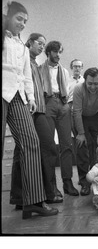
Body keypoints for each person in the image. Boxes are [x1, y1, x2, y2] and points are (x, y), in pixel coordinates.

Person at [2, 1, 58, 219]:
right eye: (19, 19)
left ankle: (33, 202)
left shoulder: (22, 46)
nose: (22, 24)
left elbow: (26, 75)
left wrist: (31, 97)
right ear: (7, 16)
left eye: (25, 21)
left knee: (31, 143)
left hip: (18, 97)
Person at [9, 33, 64, 209]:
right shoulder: (24, 57)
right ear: (30, 42)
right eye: (39, 43)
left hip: (38, 109)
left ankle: (21, 198)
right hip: (27, 109)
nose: (41, 47)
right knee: (44, 148)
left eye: (43, 44)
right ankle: (48, 193)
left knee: (25, 151)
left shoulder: (33, 62)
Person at [40, 41, 79, 196]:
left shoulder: (64, 71)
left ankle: (68, 183)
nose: (58, 55)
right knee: (49, 146)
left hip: (63, 104)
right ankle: (51, 187)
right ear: (48, 52)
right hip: (47, 102)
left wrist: (67, 106)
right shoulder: (39, 69)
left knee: (67, 145)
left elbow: (68, 91)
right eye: (55, 52)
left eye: (60, 52)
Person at [73, 67, 98, 196]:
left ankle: (96, 179)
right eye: (89, 83)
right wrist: (81, 133)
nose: (93, 87)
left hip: (95, 116)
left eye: (96, 84)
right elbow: (76, 112)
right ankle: (84, 182)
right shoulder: (78, 89)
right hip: (80, 117)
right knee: (82, 147)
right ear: (84, 81)